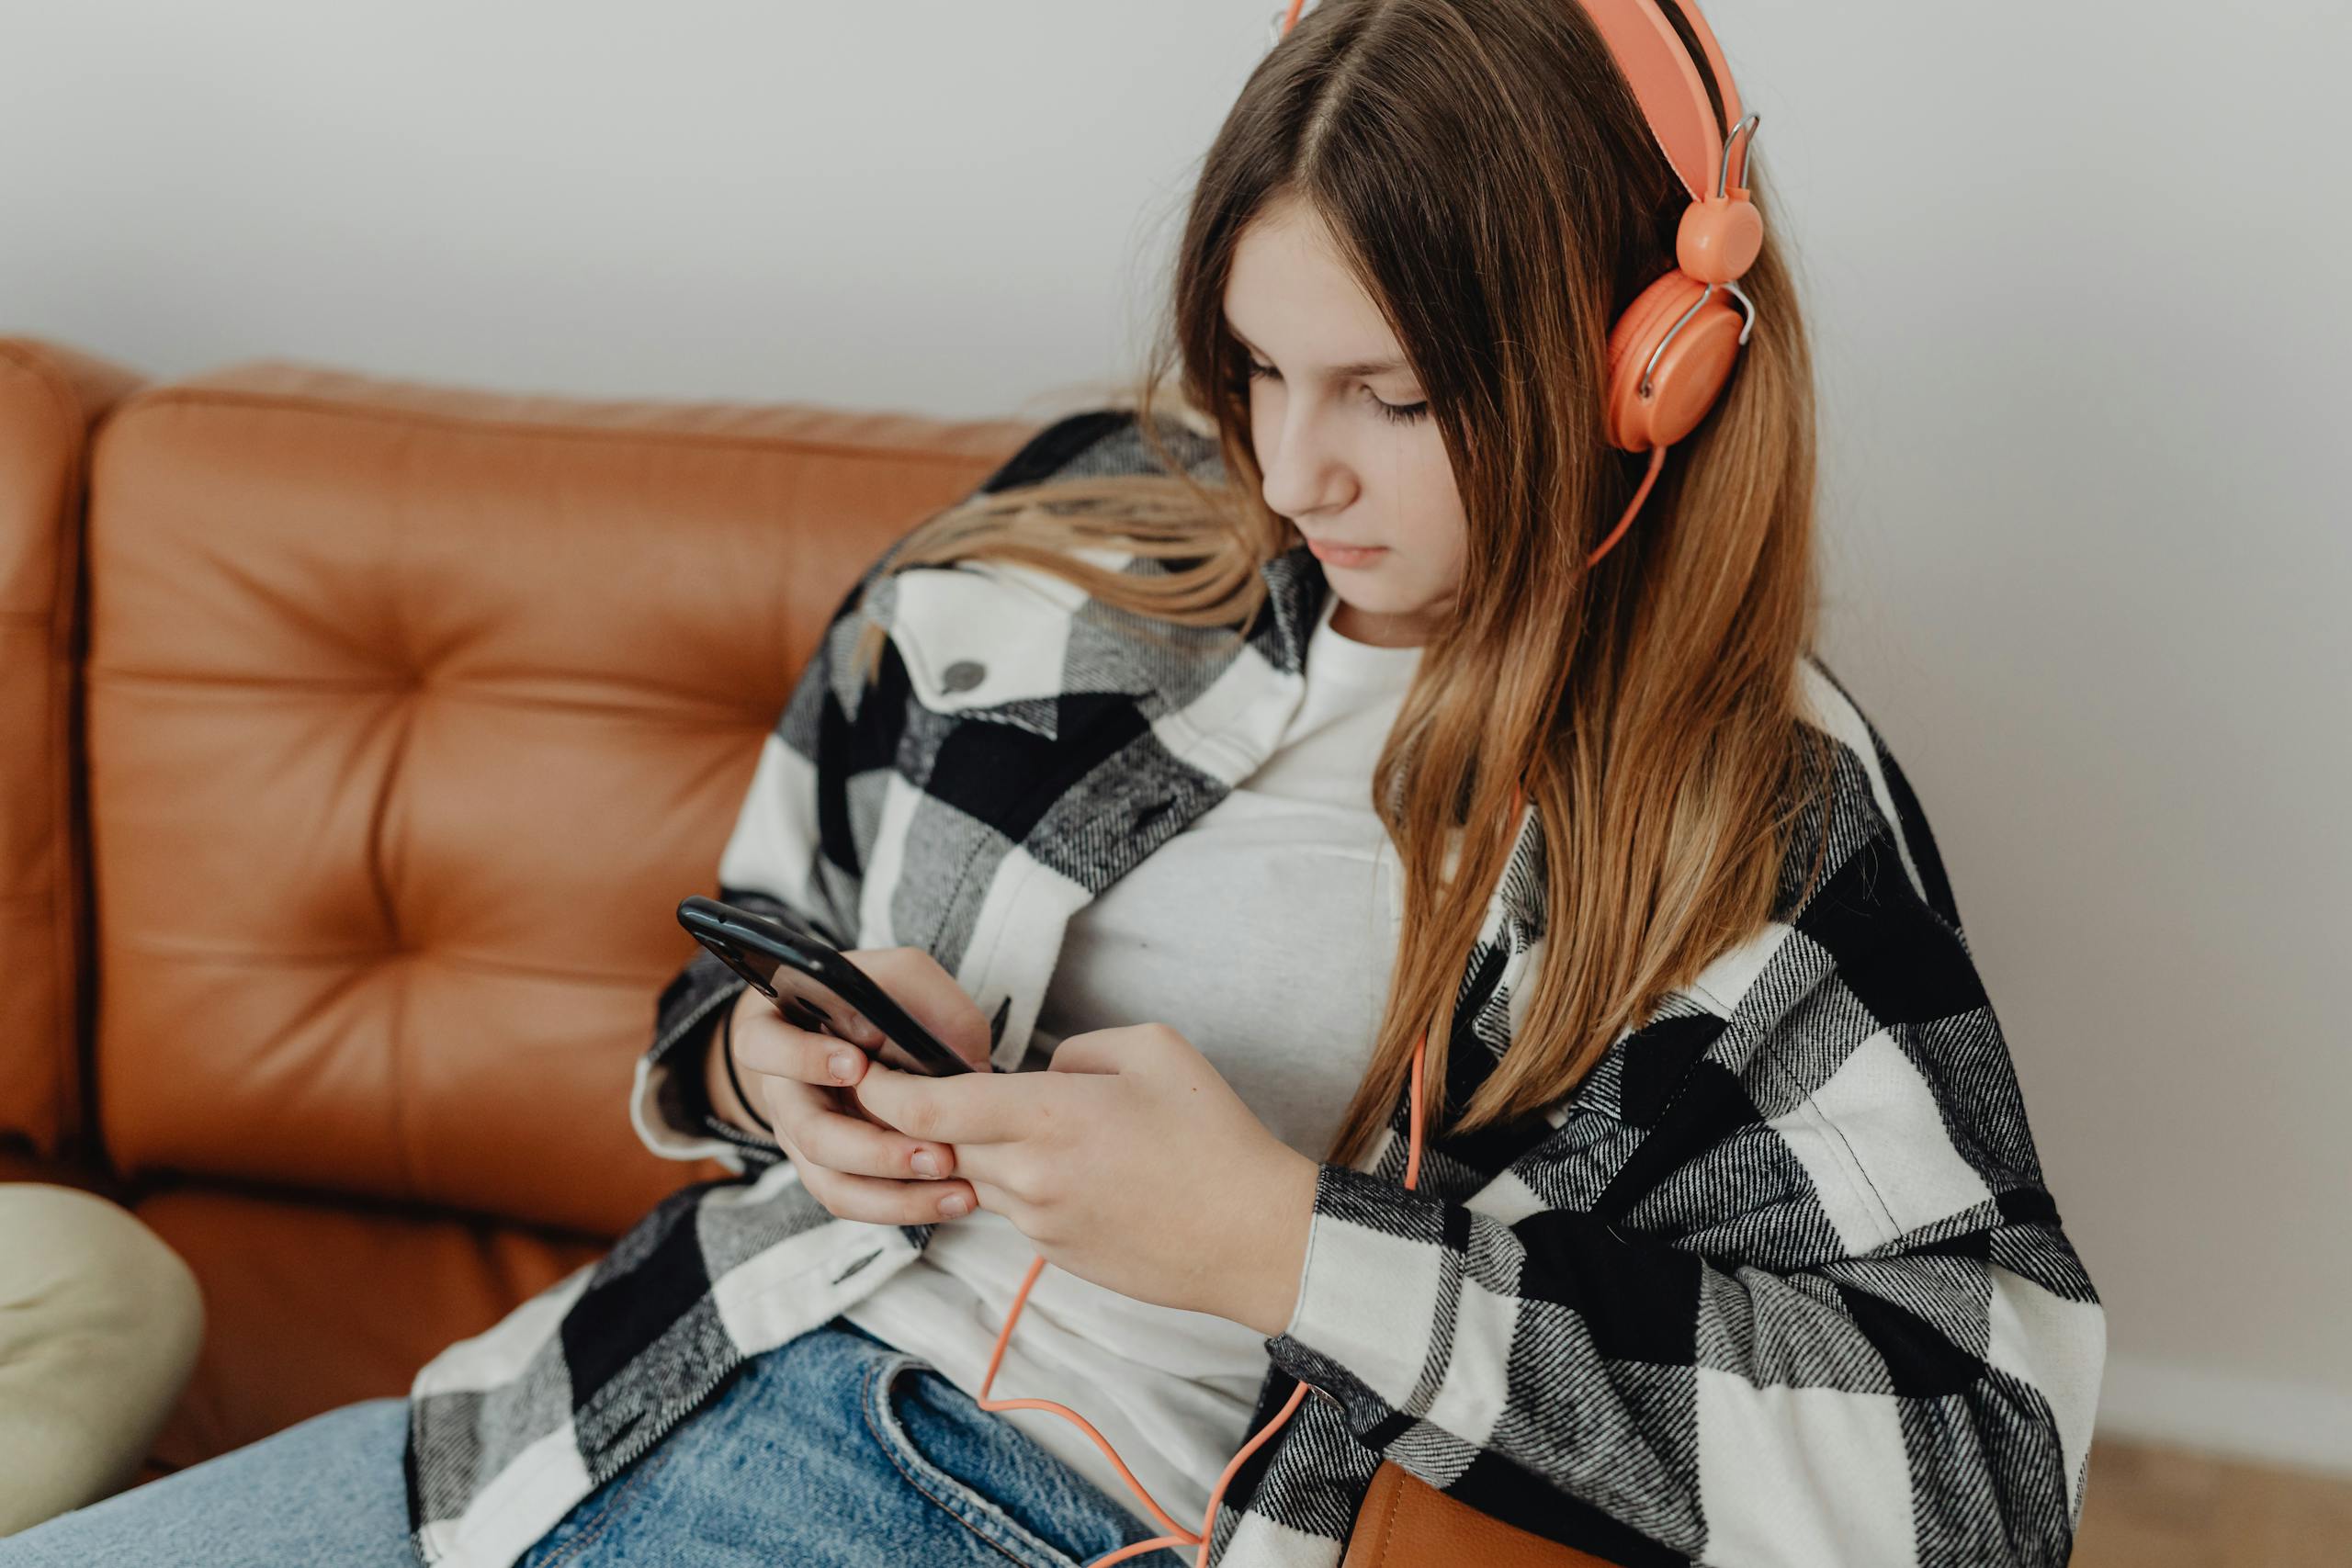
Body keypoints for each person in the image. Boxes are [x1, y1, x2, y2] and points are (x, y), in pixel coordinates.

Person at [0, 2, 2104, 1565]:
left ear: (1649, 359)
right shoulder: (1069, 535)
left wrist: (1285, 1242)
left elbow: (1978, 1455)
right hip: (606, 1392)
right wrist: (767, 1072)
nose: (1293, 473)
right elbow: (745, 942)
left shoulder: (1749, 818)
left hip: (1024, 1515)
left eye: (1392, 393)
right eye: (1260, 368)